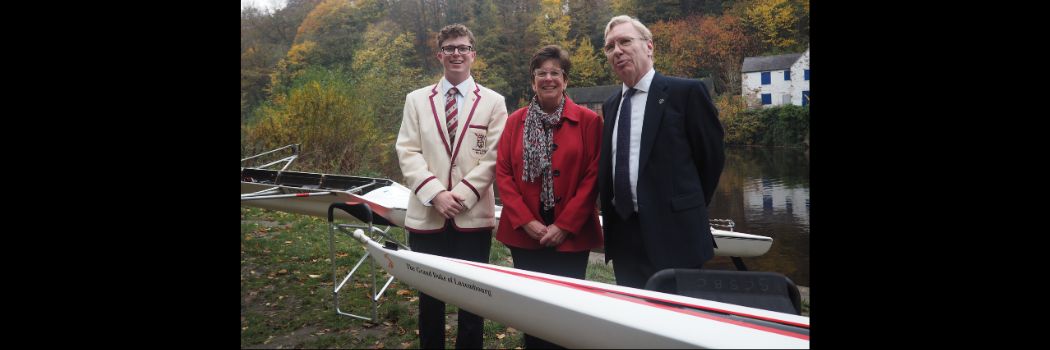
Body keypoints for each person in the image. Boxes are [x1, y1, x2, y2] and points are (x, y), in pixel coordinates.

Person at [395, 23, 508, 349]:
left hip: (472, 217)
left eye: (463, 48)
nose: (456, 54)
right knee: (430, 299)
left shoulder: (493, 102)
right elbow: (407, 151)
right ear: (439, 54)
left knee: (473, 299)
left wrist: (459, 196)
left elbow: (494, 156)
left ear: (473, 54)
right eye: (450, 48)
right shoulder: (416, 100)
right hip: (427, 215)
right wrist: (435, 194)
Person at [597, 15, 726, 289]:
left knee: (679, 322)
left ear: (649, 46)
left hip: (676, 235)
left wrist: (683, 208)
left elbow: (711, 160)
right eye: (610, 47)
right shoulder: (611, 105)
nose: (617, 50)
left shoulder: (687, 93)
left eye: (625, 41)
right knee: (635, 321)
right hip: (624, 236)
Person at [494, 45, 603, 349]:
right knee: (533, 311)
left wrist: (565, 225)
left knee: (568, 309)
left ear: (565, 80)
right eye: (541, 73)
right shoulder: (515, 122)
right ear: (533, 82)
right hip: (526, 235)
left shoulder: (589, 121)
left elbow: (593, 176)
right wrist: (526, 221)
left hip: (572, 234)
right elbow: (503, 173)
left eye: (555, 72)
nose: (548, 78)